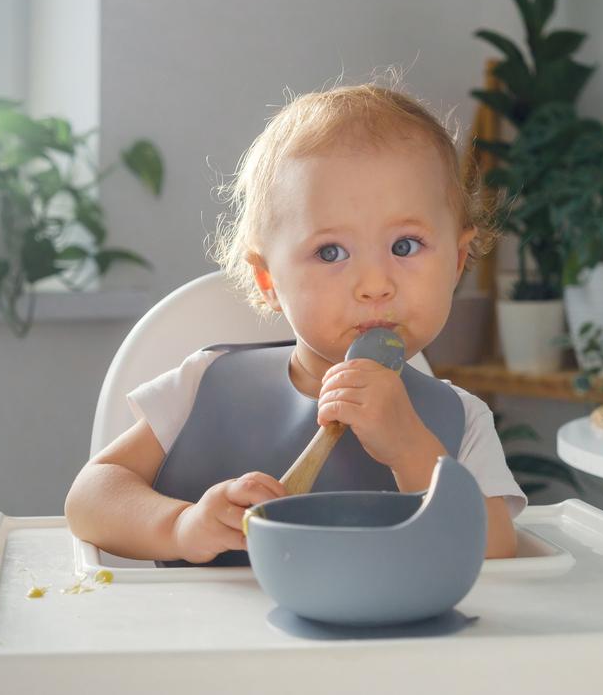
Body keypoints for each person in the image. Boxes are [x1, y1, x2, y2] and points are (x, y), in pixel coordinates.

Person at [65, 79, 525, 565]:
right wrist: (181, 525)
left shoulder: (460, 419)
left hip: (382, 643)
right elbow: (90, 498)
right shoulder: (206, 384)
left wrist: (413, 451)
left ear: (456, 261)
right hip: (207, 639)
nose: (375, 284)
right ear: (267, 279)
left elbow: (494, 554)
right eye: (331, 252)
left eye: (405, 246)